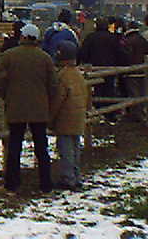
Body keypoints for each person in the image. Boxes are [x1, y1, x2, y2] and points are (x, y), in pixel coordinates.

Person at [0, 23, 57, 193]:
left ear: (22, 36)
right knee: (41, 148)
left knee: (14, 147)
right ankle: (45, 183)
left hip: (16, 107)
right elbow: (53, 85)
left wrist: (7, 95)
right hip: (39, 109)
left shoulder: (9, 56)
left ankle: (12, 184)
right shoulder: (45, 58)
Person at [49, 41, 89, 191]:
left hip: (65, 118)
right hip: (78, 116)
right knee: (75, 148)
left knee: (65, 149)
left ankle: (68, 178)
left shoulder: (63, 76)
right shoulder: (78, 74)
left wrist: (51, 118)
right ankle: (76, 176)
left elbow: (59, 99)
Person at [79, 18, 121, 120]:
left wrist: (85, 63)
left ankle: (98, 112)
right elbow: (119, 52)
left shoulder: (91, 37)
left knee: (97, 91)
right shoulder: (113, 38)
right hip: (110, 68)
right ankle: (110, 114)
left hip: (95, 68)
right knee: (110, 90)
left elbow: (83, 53)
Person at [120, 21, 148, 122]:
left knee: (133, 92)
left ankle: (135, 114)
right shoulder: (143, 39)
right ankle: (141, 112)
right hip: (143, 69)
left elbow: (125, 56)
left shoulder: (127, 41)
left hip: (132, 70)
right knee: (142, 92)